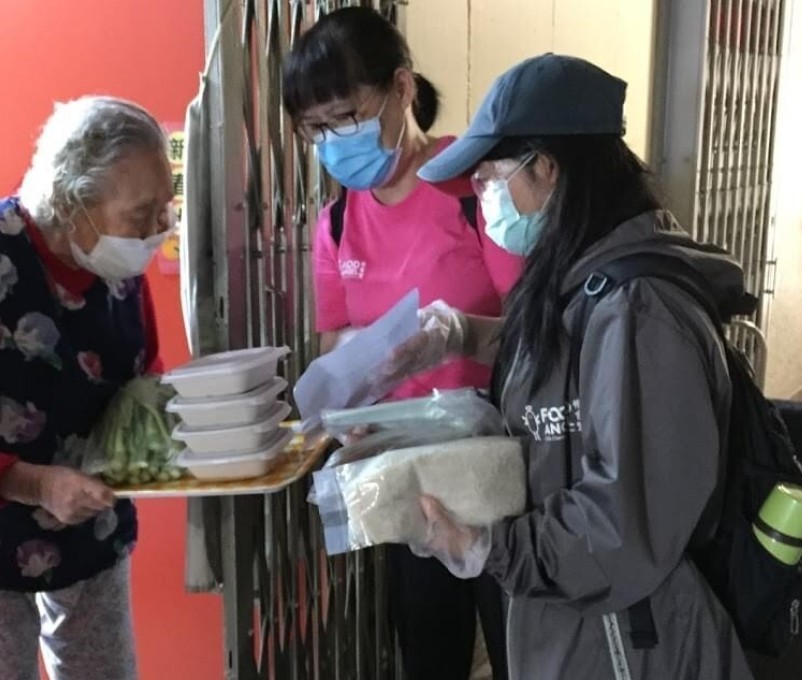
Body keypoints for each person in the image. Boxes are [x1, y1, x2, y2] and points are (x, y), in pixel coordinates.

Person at [393, 54, 755, 679]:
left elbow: (622, 525)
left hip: (634, 643)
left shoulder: (639, 308)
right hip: (592, 630)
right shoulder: (590, 284)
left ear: (547, 166)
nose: (484, 199)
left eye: (490, 178)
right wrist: (460, 339)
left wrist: (488, 548)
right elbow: (572, 365)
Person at [282, 7, 522, 679]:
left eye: (346, 117)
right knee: (429, 657)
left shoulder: (480, 187)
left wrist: (459, 338)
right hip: (412, 485)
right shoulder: (334, 227)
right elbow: (338, 354)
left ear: (402, 88)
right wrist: (345, 418)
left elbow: (543, 336)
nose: (333, 142)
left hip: (509, 477)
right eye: (315, 129)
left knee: (525, 654)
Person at [0, 96, 174, 680]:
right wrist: (33, 482)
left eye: (166, 208)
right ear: (74, 204)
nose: (159, 230)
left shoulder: (117, 265)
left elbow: (144, 372)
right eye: (143, 213)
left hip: (91, 531)